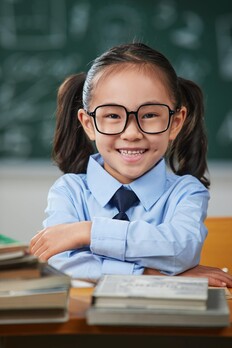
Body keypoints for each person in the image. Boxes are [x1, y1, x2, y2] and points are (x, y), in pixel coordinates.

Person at [30, 42, 232, 287]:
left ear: (176, 122)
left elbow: (180, 249)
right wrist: (149, 275)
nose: (132, 133)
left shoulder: (187, 192)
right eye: (113, 115)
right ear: (88, 124)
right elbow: (60, 263)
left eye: (149, 115)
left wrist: (88, 232)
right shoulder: (69, 191)